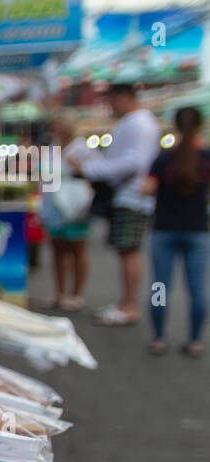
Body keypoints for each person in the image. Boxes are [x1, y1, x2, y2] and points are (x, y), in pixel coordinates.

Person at [67, 83, 161, 326]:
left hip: (131, 197)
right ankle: (126, 303)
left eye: (111, 100)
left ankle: (129, 305)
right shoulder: (135, 122)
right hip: (127, 196)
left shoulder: (139, 123)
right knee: (125, 250)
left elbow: (133, 162)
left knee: (128, 250)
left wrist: (90, 168)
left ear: (124, 97)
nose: (109, 105)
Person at [143, 106, 210, 357]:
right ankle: (194, 341)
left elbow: (145, 189)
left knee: (160, 287)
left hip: (164, 230)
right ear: (201, 125)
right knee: (198, 290)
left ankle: (159, 338)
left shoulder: (163, 160)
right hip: (198, 231)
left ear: (175, 125)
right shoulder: (206, 158)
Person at [44, 113, 91, 311]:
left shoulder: (81, 147)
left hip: (75, 204)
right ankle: (60, 292)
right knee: (58, 250)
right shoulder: (52, 147)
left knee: (77, 249)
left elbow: (95, 171)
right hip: (53, 205)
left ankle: (76, 294)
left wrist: (78, 167)